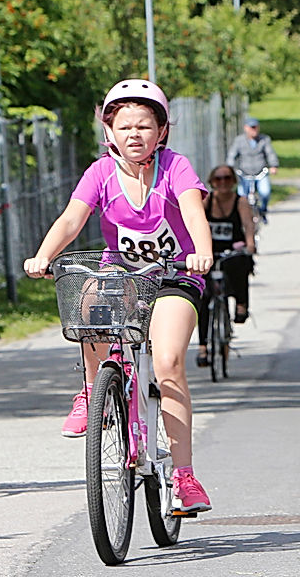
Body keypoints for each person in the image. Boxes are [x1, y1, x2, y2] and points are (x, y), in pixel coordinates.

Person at [24, 79, 215, 514]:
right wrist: (43, 255)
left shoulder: (175, 167)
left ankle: (184, 477)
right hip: (122, 274)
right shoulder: (100, 173)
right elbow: (73, 219)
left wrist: (202, 252)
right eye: (124, 126)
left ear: (162, 131)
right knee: (88, 295)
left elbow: (191, 210)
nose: (134, 135)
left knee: (166, 362)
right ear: (108, 131)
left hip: (175, 275)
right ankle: (93, 391)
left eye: (145, 126)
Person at [196, 164, 256, 365]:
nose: (223, 183)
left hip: (233, 250)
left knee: (240, 265)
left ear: (233, 181)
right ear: (212, 182)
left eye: (227, 178)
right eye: (218, 179)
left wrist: (250, 244)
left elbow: (248, 225)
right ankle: (203, 348)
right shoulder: (207, 201)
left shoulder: (241, 202)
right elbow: (194, 221)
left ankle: (241, 303)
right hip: (209, 251)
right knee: (203, 297)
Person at [226, 117, 279, 220]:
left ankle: (263, 211)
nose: (254, 130)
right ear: (246, 128)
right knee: (242, 197)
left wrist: (273, 165)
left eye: (256, 127)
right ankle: (241, 217)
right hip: (245, 173)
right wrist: (230, 168)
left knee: (265, 192)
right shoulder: (239, 141)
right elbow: (232, 155)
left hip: (260, 173)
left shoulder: (264, 140)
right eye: (251, 127)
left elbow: (270, 153)